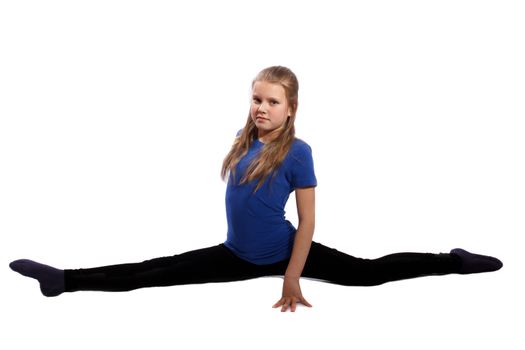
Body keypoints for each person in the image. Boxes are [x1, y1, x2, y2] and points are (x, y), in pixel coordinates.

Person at [9, 65, 503, 312]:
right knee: (150, 273)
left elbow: (309, 223)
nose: (260, 107)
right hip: (235, 254)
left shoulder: (299, 151)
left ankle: (451, 261)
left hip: (287, 252)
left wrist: (292, 276)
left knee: (369, 275)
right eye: (255, 99)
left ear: (291, 108)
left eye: (271, 101)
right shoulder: (243, 139)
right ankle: (64, 280)